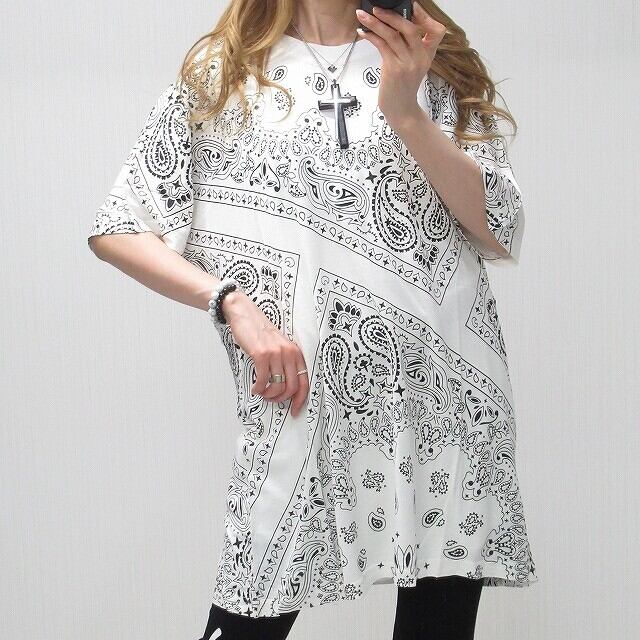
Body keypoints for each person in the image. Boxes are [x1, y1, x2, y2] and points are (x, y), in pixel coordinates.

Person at [87, 1, 538, 638]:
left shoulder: (431, 62)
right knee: (249, 613)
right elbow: (119, 227)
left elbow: (500, 229)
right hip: (300, 403)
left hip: (448, 404)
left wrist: (405, 109)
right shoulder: (227, 75)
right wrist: (230, 302)